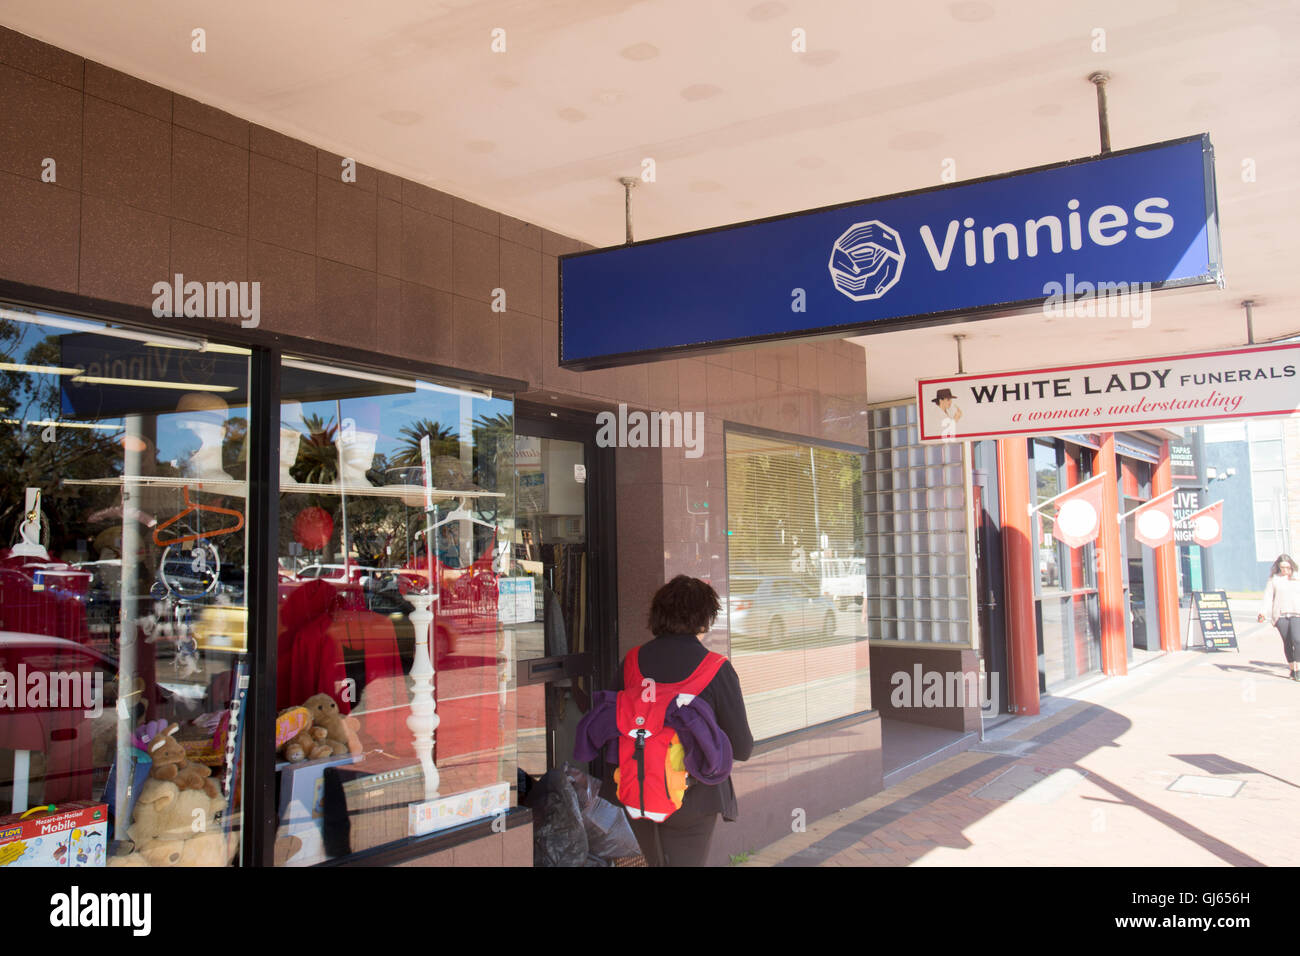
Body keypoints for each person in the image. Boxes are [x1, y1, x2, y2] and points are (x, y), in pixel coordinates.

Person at [609, 575, 753, 866]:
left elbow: (611, 727)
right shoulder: (716, 668)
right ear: (704, 620)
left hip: (637, 788)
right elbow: (742, 747)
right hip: (692, 797)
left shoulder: (632, 661)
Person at [1258, 554, 1300, 681]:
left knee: (1297, 640)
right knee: (1287, 642)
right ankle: (1292, 669)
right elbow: (1268, 597)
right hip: (1281, 615)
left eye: (1288, 567)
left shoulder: (1297, 578)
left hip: (1296, 613)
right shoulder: (1274, 579)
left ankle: (1298, 668)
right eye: (1282, 567)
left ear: (1292, 566)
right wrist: (1263, 612)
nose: (1285, 570)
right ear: (1278, 567)